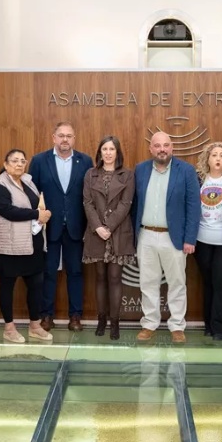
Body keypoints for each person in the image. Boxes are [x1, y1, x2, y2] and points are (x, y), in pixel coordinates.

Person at [134, 132, 201, 343]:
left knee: (177, 283)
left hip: (174, 238)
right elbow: (134, 204)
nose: (162, 149)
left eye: (166, 145)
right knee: (148, 282)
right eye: (157, 145)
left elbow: (194, 207)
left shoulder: (186, 171)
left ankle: (177, 326)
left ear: (172, 147)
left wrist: (190, 238)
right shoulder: (140, 169)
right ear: (151, 149)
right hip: (146, 235)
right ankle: (149, 324)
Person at [28, 122, 93, 332]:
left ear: (74, 139)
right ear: (53, 137)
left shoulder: (85, 161)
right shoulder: (39, 161)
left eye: (69, 136)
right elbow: (32, 194)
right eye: (61, 135)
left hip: (76, 227)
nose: (65, 139)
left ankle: (75, 316)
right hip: (49, 227)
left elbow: (89, 195)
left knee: (75, 272)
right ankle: (46, 315)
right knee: (48, 272)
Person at [0, 149, 52, 343]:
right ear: (5, 164)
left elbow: (35, 205)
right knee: (7, 287)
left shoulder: (28, 182)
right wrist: (37, 215)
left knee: (36, 285)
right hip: (8, 247)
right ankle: (9, 328)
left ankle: (35, 326)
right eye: (14, 161)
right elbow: (9, 211)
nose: (19, 164)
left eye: (23, 161)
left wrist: (42, 214)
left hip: (32, 244)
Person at [83, 136, 135, 340]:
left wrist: (109, 226)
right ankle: (101, 320)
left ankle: (115, 323)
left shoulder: (127, 175)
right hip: (96, 233)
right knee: (100, 277)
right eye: (104, 149)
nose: (108, 152)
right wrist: (98, 227)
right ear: (99, 152)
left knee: (114, 277)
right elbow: (87, 203)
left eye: (111, 149)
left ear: (117, 152)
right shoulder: (91, 174)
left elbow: (126, 203)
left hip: (118, 232)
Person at [194, 141, 222, 341]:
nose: (218, 158)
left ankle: (220, 328)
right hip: (201, 241)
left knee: (220, 283)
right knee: (208, 283)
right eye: (214, 155)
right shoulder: (198, 180)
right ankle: (208, 325)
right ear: (207, 159)